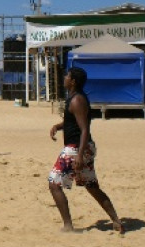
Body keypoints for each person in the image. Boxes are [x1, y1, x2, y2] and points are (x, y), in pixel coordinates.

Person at [48, 67, 123, 234]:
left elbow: (84, 129)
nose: (64, 78)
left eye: (67, 76)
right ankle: (116, 221)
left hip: (77, 148)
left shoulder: (77, 100)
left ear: (73, 81)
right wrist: (58, 126)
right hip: (81, 148)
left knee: (54, 183)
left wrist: (80, 155)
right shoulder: (74, 99)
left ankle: (68, 226)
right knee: (91, 186)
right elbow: (72, 122)